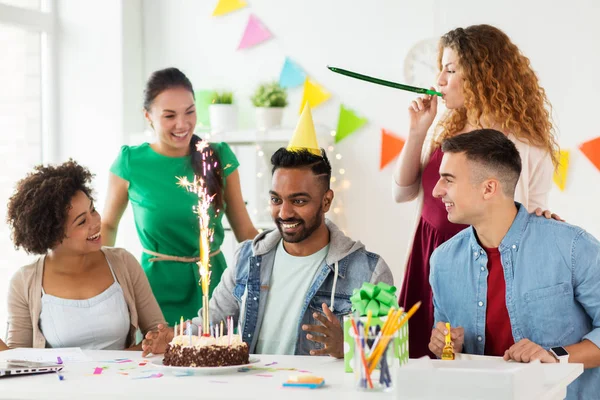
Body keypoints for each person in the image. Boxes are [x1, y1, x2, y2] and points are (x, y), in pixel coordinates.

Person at [142, 106, 394, 358]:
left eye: (299, 201)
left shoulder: (370, 271)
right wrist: (176, 337)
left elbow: (391, 352)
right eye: (276, 200)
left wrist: (348, 346)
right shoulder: (247, 258)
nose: (284, 213)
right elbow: (211, 324)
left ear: (326, 201)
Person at [392, 24, 561, 358]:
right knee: (423, 361)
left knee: (472, 356)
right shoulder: (448, 133)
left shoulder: (526, 146)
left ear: (483, 75)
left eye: (451, 70)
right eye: (440, 69)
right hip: (430, 253)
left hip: (481, 264)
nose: (439, 80)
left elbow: (531, 216)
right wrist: (417, 131)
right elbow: (403, 192)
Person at [427, 130, 600, 400]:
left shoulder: (572, 246)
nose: (437, 191)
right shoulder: (443, 261)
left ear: (489, 188)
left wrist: (555, 356)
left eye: (448, 180)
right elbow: (447, 349)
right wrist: (448, 347)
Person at [102, 67, 258, 326]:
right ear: (148, 116)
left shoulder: (218, 156)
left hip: (215, 288)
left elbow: (245, 230)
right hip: (153, 293)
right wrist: (104, 283)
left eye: (190, 111)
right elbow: (107, 225)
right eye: (169, 115)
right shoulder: (130, 162)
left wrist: (283, 269)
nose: (182, 124)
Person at [6, 160, 165, 350]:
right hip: (59, 381)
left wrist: (119, 365)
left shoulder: (123, 262)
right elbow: (17, 358)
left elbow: (158, 334)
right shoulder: (25, 282)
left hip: (122, 379)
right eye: (82, 222)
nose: (96, 222)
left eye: (93, 210)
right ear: (53, 235)